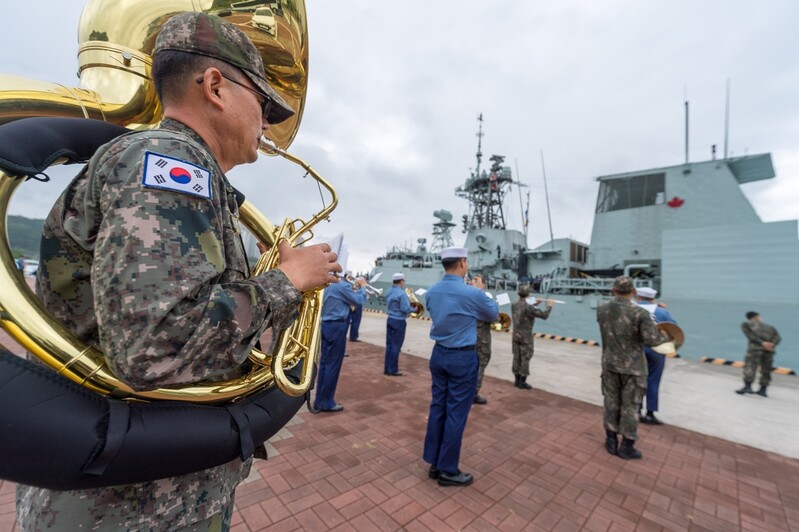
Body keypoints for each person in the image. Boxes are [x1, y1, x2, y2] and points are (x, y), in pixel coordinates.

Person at [16, 12, 341, 531]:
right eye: (263, 103)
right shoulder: (170, 164)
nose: (269, 123)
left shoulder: (179, 170)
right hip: (132, 508)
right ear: (215, 86)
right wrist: (288, 280)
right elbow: (158, 347)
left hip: (150, 494)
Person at [423, 247, 498, 487]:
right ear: (462, 263)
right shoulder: (471, 293)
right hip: (462, 358)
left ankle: (434, 462)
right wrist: (481, 292)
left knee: (438, 408)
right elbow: (493, 315)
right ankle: (447, 469)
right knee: (456, 412)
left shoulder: (432, 291)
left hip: (439, 354)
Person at [596, 276, 668, 460]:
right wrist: (664, 335)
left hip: (610, 364)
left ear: (613, 290)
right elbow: (652, 340)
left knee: (611, 402)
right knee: (630, 406)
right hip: (634, 368)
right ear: (633, 292)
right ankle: (627, 445)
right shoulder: (640, 313)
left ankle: (610, 440)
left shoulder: (602, 309)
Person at [314, 277, 366, 412]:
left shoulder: (325, 283)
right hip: (337, 326)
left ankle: (319, 400)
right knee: (333, 365)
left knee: (325, 364)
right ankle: (326, 402)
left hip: (325, 325)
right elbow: (358, 301)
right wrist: (362, 287)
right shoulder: (341, 286)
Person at [635, 286, 677, 425]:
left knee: (637, 380)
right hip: (656, 350)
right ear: (652, 298)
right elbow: (674, 329)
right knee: (653, 381)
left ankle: (636, 410)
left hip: (636, 349)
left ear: (638, 297)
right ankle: (650, 414)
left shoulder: (632, 309)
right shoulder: (661, 311)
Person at [510, 284, 552, 390]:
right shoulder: (530, 307)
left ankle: (516, 380)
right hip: (526, 337)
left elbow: (524, 311)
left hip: (516, 336)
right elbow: (544, 315)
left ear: (518, 293)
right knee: (525, 358)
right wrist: (549, 306)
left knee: (516, 357)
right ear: (529, 294)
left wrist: (534, 304)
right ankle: (522, 382)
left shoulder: (514, 304)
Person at [736, 311, 781, 397]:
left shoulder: (746, 324)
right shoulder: (770, 327)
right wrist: (772, 344)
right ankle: (763, 390)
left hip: (755, 350)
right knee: (766, 370)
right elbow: (778, 337)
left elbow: (750, 336)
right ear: (757, 316)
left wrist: (762, 343)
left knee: (750, 366)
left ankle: (748, 387)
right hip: (769, 351)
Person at [384, 272, 412, 376]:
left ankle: (387, 368)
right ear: (401, 281)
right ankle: (393, 370)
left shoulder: (389, 291)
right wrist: (414, 308)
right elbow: (405, 309)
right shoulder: (402, 294)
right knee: (396, 346)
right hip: (399, 321)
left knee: (389, 345)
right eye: (403, 281)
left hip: (390, 319)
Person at [347, 275, 367, 342]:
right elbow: (362, 296)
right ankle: (353, 337)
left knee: (350, 321)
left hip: (351, 304)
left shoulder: (353, 285)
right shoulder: (361, 287)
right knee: (356, 321)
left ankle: (352, 336)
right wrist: (363, 287)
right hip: (357, 305)